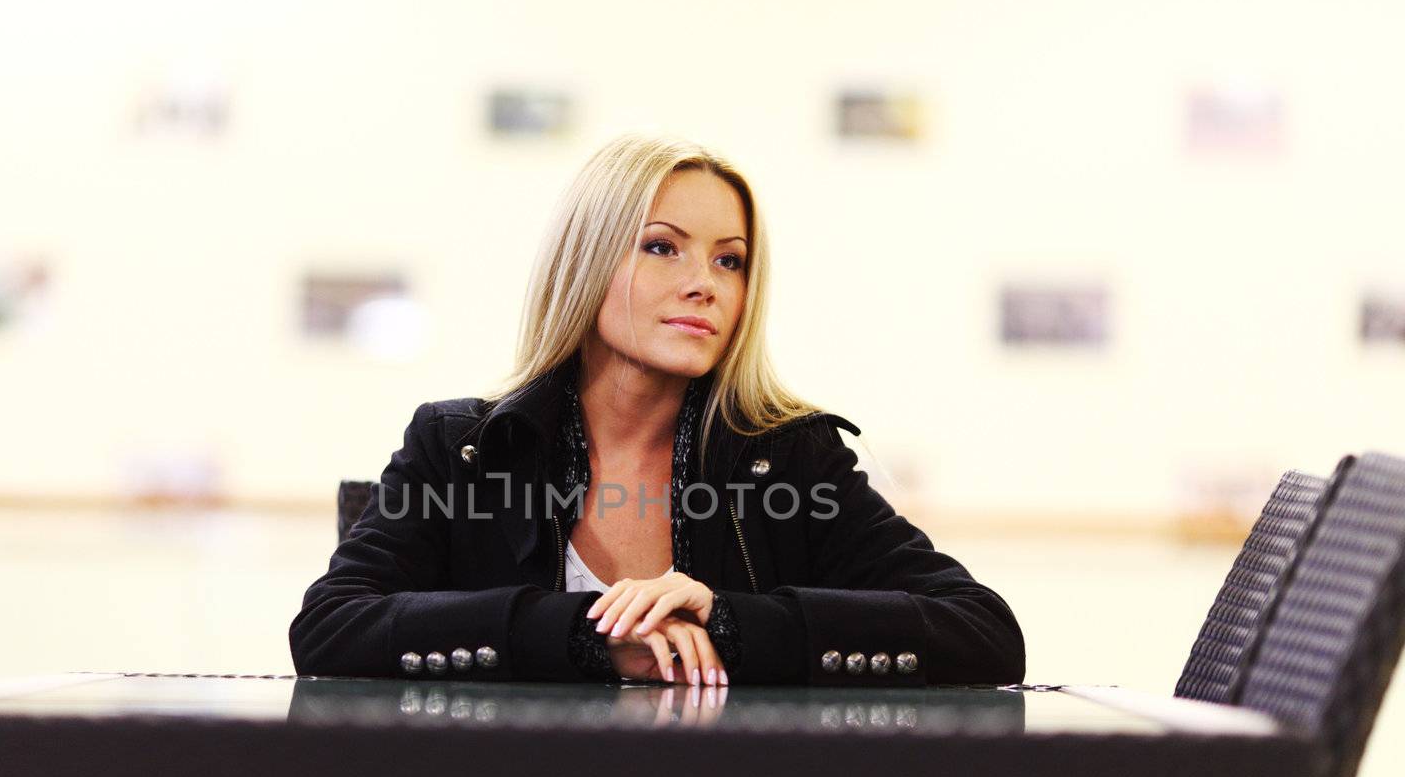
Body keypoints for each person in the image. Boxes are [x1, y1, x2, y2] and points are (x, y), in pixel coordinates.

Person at [291, 135, 1025, 688]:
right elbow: (327, 628)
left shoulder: (793, 460)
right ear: (586, 260)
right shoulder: (462, 446)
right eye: (663, 248)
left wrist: (732, 622)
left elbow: (984, 631)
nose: (703, 284)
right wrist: (585, 632)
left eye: (729, 260)